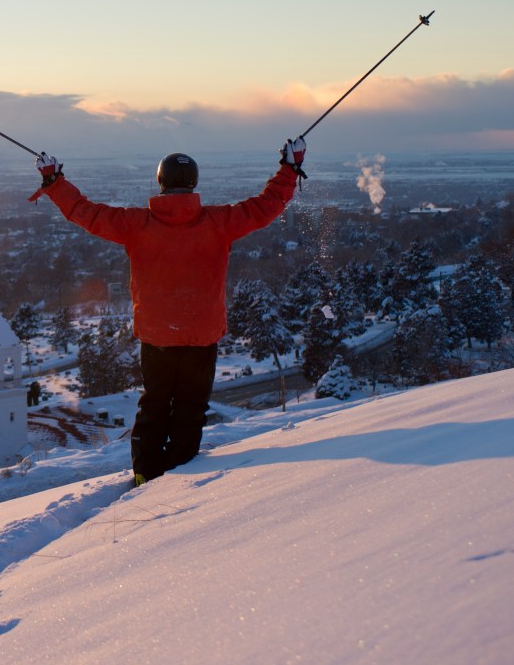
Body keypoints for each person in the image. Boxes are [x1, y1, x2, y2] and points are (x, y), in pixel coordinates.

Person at [29, 140, 306, 486]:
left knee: (155, 404)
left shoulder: (137, 224)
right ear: (193, 182)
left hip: (157, 334)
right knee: (190, 408)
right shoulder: (219, 222)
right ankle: (179, 473)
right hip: (201, 335)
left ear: (161, 182)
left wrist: (55, 182)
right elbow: (265, 207)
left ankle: (146, 473)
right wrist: (289, 169)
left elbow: (87, 213)